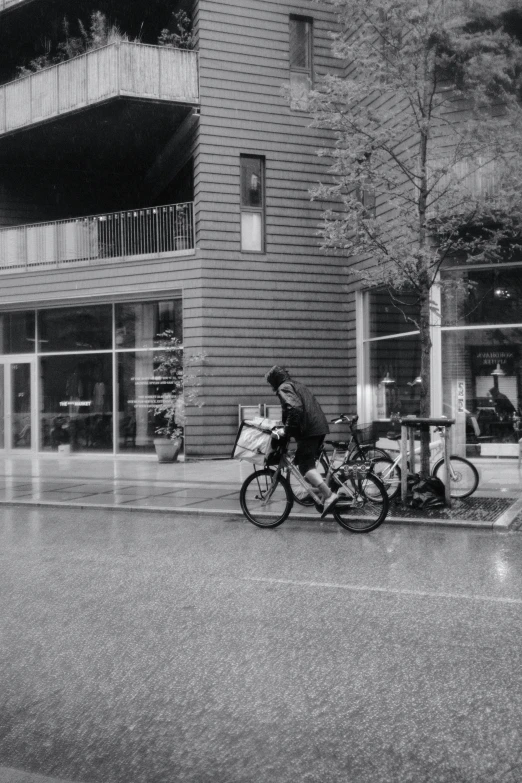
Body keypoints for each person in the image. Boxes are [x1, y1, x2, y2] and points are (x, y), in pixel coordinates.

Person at [265, 365, 339, 518]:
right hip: (318, 427)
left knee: (305, 468)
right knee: (305, 465)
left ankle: (329, 495)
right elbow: (292, 410)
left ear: (274, 380)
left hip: (309, 430)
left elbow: (295, 408)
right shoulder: (296, 385)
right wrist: (285, 425)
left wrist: (285, 431)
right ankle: (324, 492)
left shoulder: (284, 388)